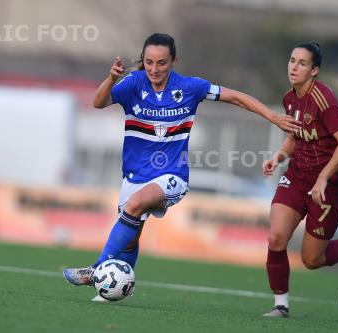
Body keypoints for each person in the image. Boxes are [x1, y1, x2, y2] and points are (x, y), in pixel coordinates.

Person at [63, 33, 301, 301]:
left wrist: (273, 117)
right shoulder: (132, 84)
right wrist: (111, 78)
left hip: (172, 176)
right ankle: (111, 291)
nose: (154, 69)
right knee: (131, 235)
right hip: (134, 176)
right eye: (149, 62)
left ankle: (95, 271)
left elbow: (236, 97)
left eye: (162, 63)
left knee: (135, 206)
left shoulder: (191, 87)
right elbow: (98, 102)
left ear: (174, 60)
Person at [261, 42, 338, 318]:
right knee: (276, 236)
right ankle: (281, 305)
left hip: (330, 188)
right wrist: (278, 156)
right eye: (292, 60)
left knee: (312, 259)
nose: (294, 66)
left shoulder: (325, 100)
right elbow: (294, 133)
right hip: (297, 177)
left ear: (314, 70)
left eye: (302, 63)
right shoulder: (289, 98)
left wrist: (324, 178)